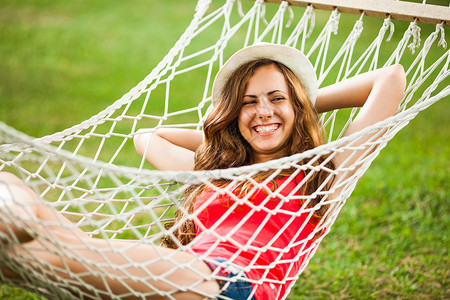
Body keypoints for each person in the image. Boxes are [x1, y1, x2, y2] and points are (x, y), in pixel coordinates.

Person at [0, 43, 406, 299]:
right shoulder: (214, 172)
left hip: (230, 285)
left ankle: (19, 218)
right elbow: (148, 137)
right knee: (18, 246)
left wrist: (296, 106)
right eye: (248, 102)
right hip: (185, 275)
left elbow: (390, 79)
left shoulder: (322, 174)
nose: (262, 109)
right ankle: (15, 216)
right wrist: (235, 127)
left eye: (275, 97)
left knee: (52, 246)